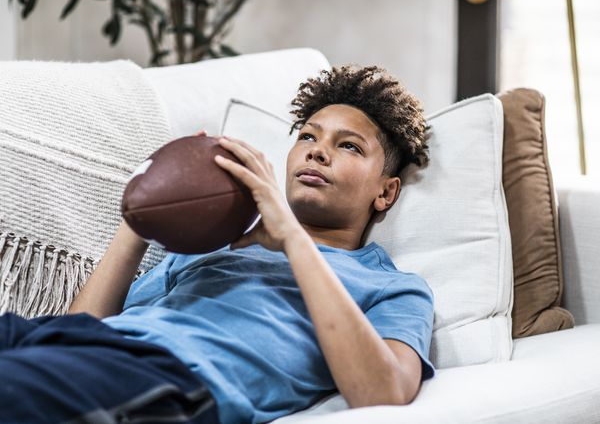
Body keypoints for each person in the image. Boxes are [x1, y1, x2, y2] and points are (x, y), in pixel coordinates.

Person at [0, 65, 434, 424]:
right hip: (62, 343)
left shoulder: (391, 287)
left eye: (349, 146)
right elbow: (81, 328)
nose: (317, 152)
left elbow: (385, 392)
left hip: (161, 379)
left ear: (386, 192)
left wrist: (292, 241)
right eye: (307, 136)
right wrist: (140, 215)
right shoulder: (214, 244)